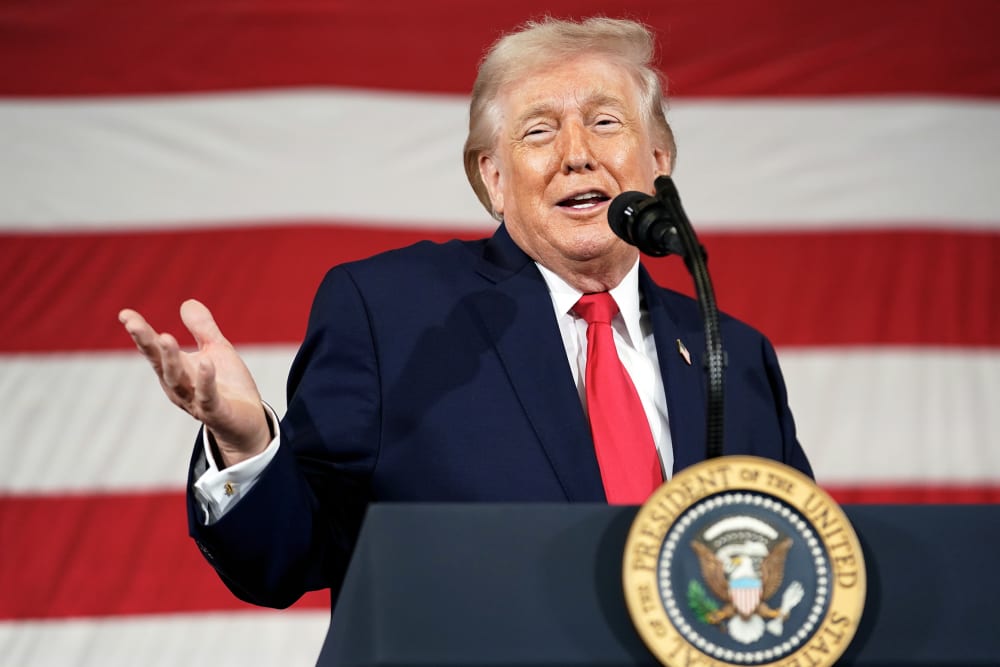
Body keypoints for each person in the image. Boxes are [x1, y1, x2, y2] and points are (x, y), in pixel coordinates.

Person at [119, 17, 811, 609]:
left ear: (657, 160)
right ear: (494, 177)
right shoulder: (395, 314)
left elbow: (795, 578)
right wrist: (246, 447)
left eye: (605, 122)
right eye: (539, 132)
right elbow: (284, 556)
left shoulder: (732, 353)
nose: (577, 154)